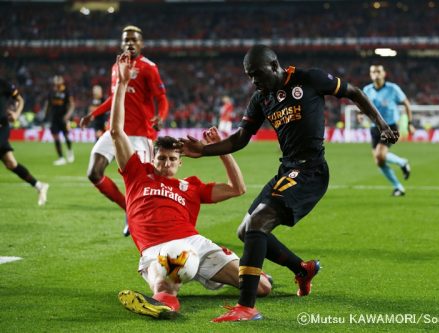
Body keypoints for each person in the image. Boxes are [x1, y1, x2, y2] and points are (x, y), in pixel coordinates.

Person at [179, 45, 399, 322]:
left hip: (311, 171)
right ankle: (302, 269)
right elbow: (240, 138)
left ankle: (246, 306)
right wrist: (203, 151)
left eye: (257, 74)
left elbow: (354, 92)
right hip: (288, 169)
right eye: (249, 76)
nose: (254, 81)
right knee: (245, 231)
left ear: (274, 65)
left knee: (258, 223)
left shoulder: (309, 79)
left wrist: (382, 125)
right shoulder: (261, 99)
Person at [110, 52, 271, 319]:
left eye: (173, 159)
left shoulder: (191, 186)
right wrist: (122, 85)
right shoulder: (137, 173)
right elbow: (117, 131)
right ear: (153, 156)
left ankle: (178, 288)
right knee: (166, 283)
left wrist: (221, 150)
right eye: (161, 158)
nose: (166, 163)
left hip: (195, 243)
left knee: (261, 287)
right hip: (156, 248)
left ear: (180, 163)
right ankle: (163, 303)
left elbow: (237, 188)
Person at [80, 25, 169, 236]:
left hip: (140, 134)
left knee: (142, 183)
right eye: (126, 39)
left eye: (134, 39)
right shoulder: (117, 66)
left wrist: (161, 117)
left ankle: (155, 221)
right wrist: (94, 114)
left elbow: (162, 99)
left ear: (141, 43)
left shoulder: (149, 67)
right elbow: (114, 97)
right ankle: (128, 210)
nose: (129, 43)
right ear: (121, 43)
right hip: (115, 131)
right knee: (94, 172)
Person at [359, 64, 414, 197]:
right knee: (379, 161)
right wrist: (360, 113)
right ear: (370, 75)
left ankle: (402, 163)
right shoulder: (367, 89)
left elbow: (406, 103)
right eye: (373, 72)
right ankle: (398, 186)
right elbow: (363, 105)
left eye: (378, 71)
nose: (376, 74)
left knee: (379, 155)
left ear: (384, 74)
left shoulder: (393, 88)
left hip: (389, 127)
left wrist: (409, 123)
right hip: (375, 127)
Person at [0, 78, 49, 205]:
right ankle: (39, 186)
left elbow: (20, 99)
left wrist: (16, 114)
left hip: (2, 127)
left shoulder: (4, 84)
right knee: (11, 163)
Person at [44, 75, 75, 166]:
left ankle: (69, 151)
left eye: (58, 82)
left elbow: (72, 105)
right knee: (56, 137)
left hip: (63, 118)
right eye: (55, 82)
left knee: (66, 136)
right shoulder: (52, 92)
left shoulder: (66, 92)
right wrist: (45, 115)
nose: (57, 84)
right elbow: (48, 104)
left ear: (61, 82)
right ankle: (61, 158)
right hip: (54, 118)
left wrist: (68, 115)